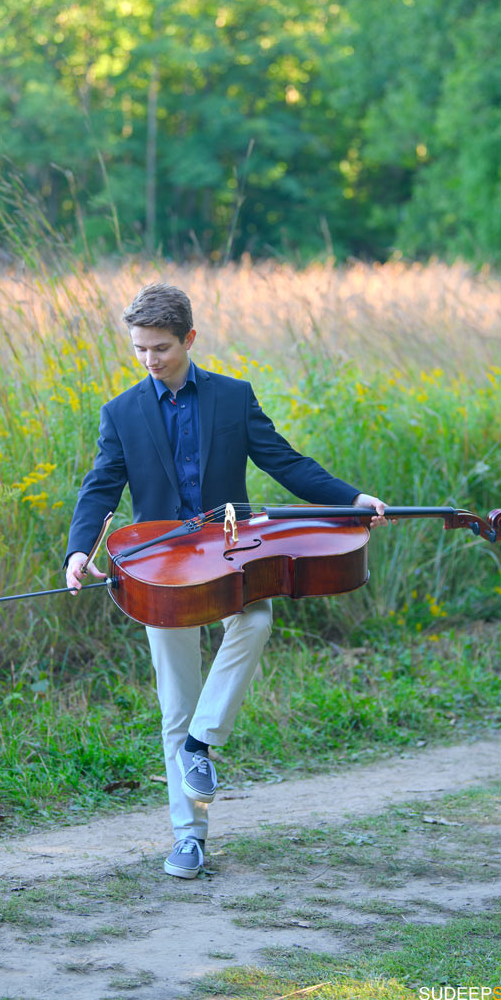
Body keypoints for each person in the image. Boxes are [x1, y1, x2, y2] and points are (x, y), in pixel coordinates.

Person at [65, 282, 387, 879]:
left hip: (232, 552)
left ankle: (201, 745)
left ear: (189, 338)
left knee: (257, 618)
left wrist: (350, 499)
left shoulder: (233, 398)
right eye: (139, 349)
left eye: (160, 347)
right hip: (159, 570)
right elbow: (101, 487)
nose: (149, 360)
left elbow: (284, 462)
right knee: (173, 704)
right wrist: (80, 550)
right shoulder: (122, 412)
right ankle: (189, 837)